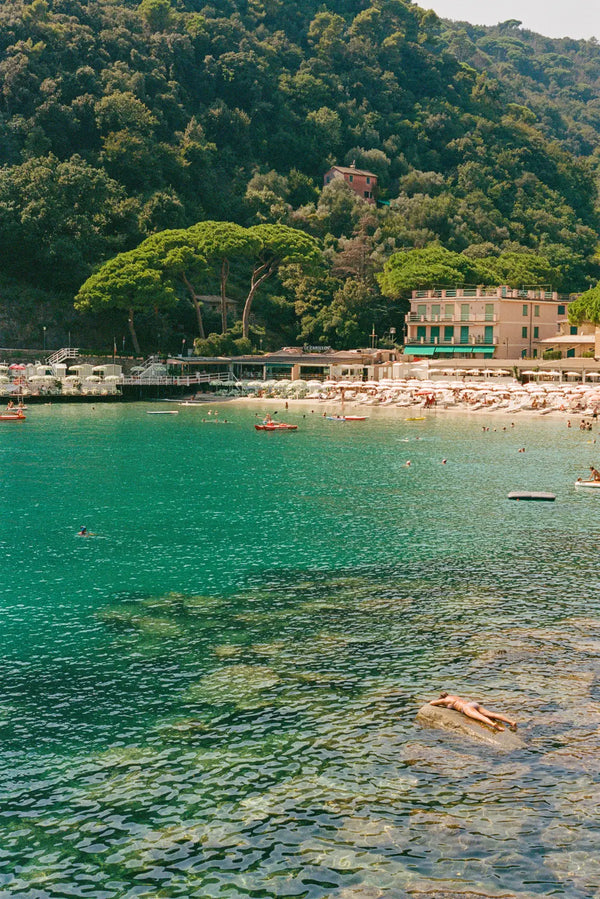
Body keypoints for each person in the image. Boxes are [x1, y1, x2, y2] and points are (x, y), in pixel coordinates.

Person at [429, 692, 517, 731]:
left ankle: (494, 725)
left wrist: (441, 702)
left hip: (466, 708)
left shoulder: (445, 700)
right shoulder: (454, 696)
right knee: (491, 714)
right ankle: (511, 722)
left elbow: (432, 703)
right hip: (472, 704)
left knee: (481, 718)